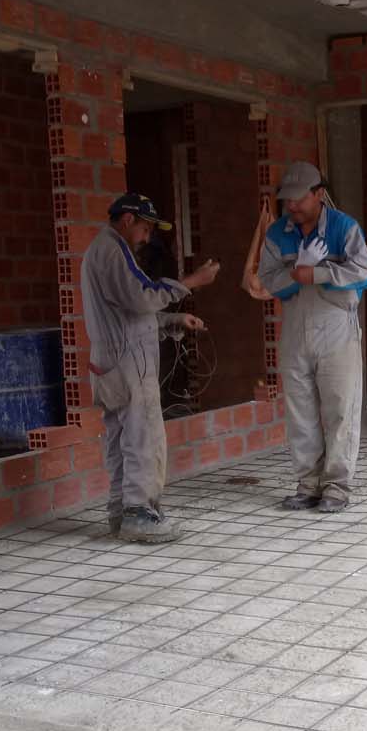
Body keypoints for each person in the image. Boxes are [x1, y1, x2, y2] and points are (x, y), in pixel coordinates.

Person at [82, 193, 219, 543]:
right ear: (128, 220)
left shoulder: (106, 250)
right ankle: (139, 514)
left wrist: (174, 320)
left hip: (112, 360)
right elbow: (142, 297)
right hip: (128, 362)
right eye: (145, 228)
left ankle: (121, 511)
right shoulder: (111, 249)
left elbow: (131, 314)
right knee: (143, 437)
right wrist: (190, 283)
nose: (147, 237)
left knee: (122, 439)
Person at [256, 162, 367, 513]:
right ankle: (308, 483)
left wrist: (318, 273)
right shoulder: (277, 233)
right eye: (287, 200)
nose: (291, 206)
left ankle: (336, 485)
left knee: (340, 408)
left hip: (336, 326)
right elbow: (268, 280)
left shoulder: (343, 227)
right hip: (295, 327)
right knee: (300, 411)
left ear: (318, 194)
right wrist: (296, 274)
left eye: (298, 198)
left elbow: (365, 272)